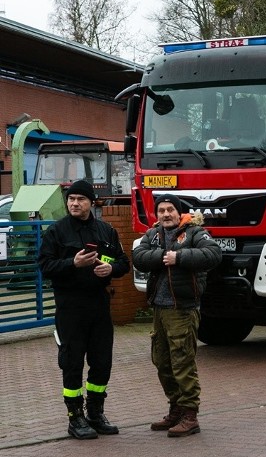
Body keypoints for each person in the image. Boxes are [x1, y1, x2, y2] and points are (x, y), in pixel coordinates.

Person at [38, 179, 130, 440]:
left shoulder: (106, 231)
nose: (74, 203)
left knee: (102, 362)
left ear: (92, 202)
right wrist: (72, 263)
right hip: (70, 306)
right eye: (71, 199)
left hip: (98, 305)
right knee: (72, 362)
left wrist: (111, 268)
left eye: (80, 199)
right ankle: (75, 417)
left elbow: (124, 262)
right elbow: (45, 266)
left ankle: (96, 413)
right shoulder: (56, 231)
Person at [132, 194, 222, 438]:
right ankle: (176, 409)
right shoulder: (153, 234)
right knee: (162, 362)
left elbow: (213, 255)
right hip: (159, 309)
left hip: (182, 309)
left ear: (179, 212)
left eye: (170, 209)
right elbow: (138, 257)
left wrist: (179, 257)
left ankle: (190, 415)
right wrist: (164, 257)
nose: (165, 214)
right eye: (161, 210)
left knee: (182, 362)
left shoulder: (194, 233)